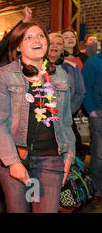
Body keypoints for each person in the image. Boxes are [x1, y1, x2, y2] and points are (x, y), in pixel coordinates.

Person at [0, 22, 75, 213]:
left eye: (40, 36)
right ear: (18, 46)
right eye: (28, 37)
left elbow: (67, 121)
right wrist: (12, 162)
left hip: (50, 158)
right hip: (16, 155)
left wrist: (69, 155)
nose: (36, 40)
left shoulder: (60, 74)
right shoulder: (5, 75)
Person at [48, 32, 86, 160]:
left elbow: (80, 92)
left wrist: (69, 110)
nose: (55, 46)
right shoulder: (35, 67)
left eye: (59, 44)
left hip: (65, 118)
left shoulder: (71, 68)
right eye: (52, 43)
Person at [81, 50, 102, 206]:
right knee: (99, 155)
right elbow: (85, 87)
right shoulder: (93, 62)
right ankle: (97, 190)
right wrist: (92, 111)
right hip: (99, 114)